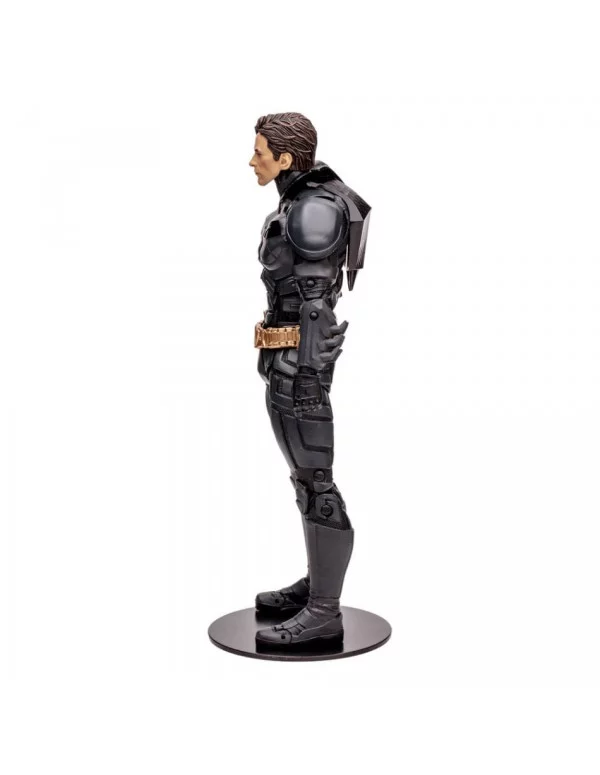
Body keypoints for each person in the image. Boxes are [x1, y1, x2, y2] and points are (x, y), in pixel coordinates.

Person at [249, 112, 371, 647]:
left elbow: (317, 305)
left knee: (317, 481)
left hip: (299, 370)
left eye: (259, 152)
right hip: (283, 361)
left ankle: (325, 611)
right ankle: (316, 584)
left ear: (285, 158)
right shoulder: (297, 203)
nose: (251, 161)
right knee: (304, 478)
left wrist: (306, 380)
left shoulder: (314, 209)